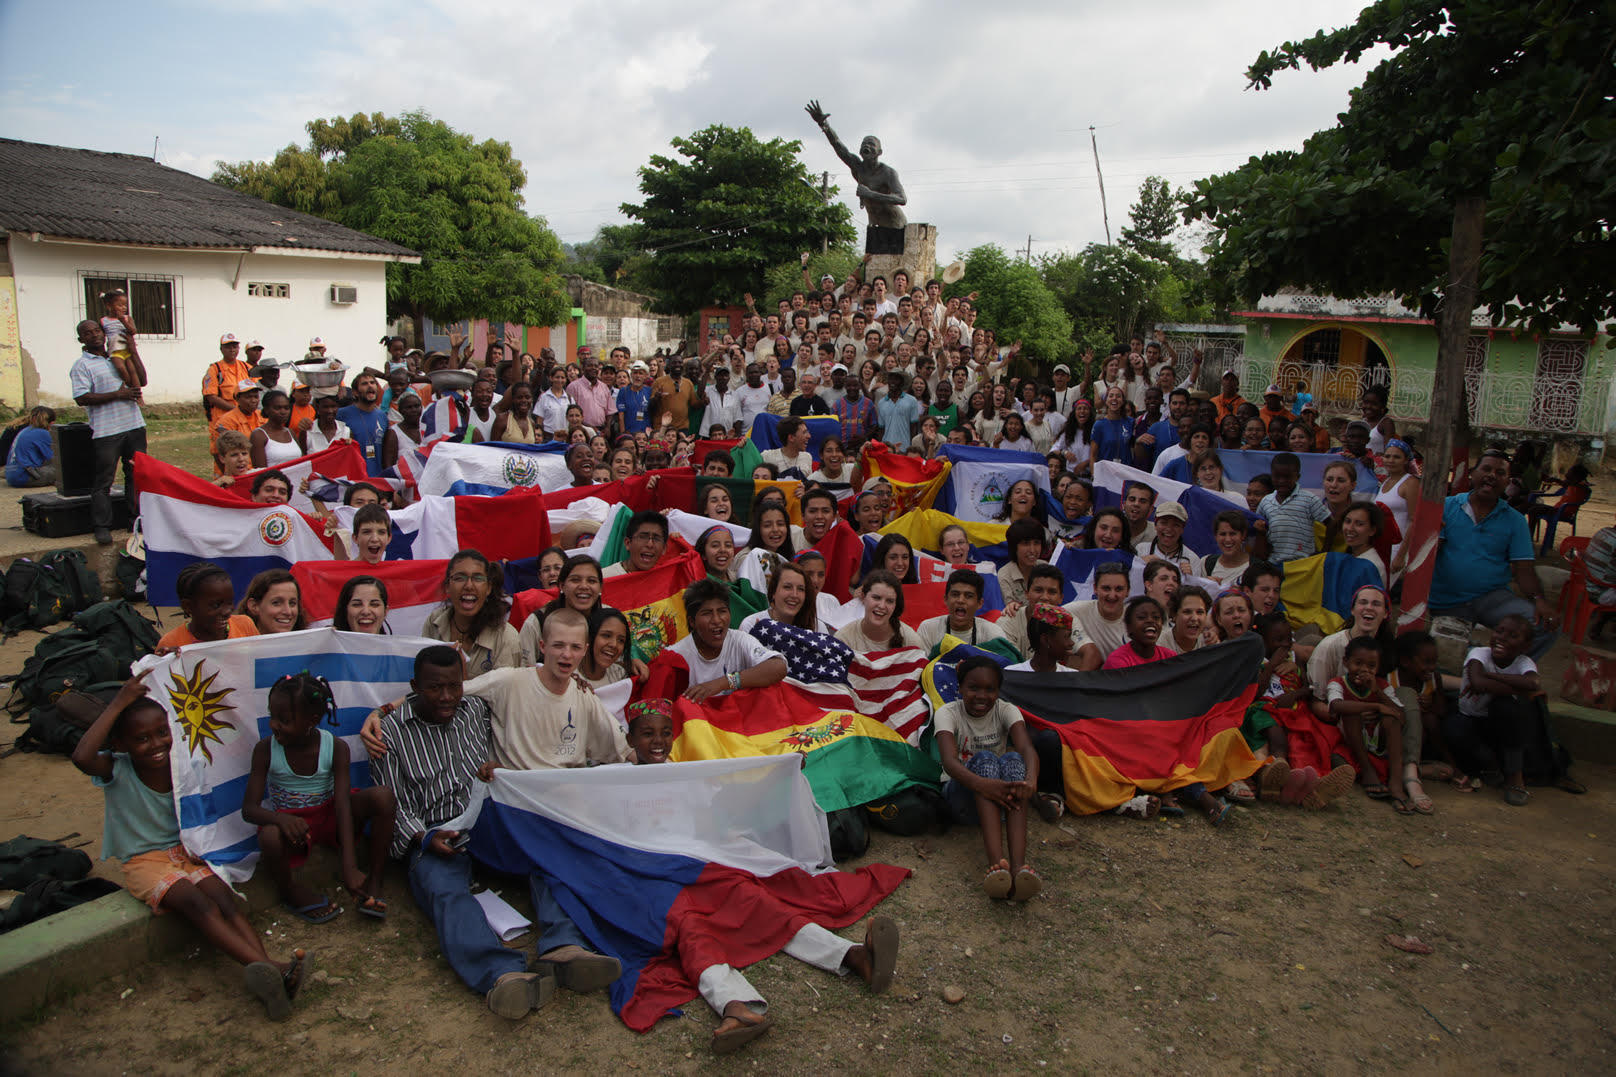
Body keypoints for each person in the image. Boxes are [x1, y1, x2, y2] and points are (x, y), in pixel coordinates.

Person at [72, 677, 310, 1020]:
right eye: (141, 739)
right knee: (198, 903)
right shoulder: (117, 769)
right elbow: (81, 756)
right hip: (145, 863)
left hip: (185, 853)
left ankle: (270, 979)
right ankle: (272, 966)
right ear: (121, 744)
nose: (156, 744)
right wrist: (120, 700)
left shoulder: (180, 767)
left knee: (225, 898)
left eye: (161, 733)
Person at [367, 646, 557, 1018]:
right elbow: (395, 805)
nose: (447, 697)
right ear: (414, 687)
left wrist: (492, 769)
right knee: (446, 893)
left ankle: (565, 947)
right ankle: (502, 976)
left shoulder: (475, 711)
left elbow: (533, 689)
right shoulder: (389, 733)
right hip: (436, 834)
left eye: (455, 686)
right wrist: (423, 838)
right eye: (435, 688)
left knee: (548, 856)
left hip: (486, 820)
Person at [242, 671, 396, 923]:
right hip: (295, 830)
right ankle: (289, 891)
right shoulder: (265, 750)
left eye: (283, 719)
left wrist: (349, 865)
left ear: (311, 720)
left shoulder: (335, 747)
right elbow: (249, 809)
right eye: (272, 716)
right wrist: (280, 820)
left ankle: (375, 879)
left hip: (329, 816)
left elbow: (343, 804)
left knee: (383, 797)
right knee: (269, 835)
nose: (273, 724)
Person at [1428, 450, 1557, 658]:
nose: (1492, 476)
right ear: (1473, 474)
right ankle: (1477, 668)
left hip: (1492, 598)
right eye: (1486, 469)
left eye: (1500, 473)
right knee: (1450, 656)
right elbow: (1428, 554)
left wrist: (1539, 599)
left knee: (1544, 625)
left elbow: (1524, 569)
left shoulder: (1514, 520)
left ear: (1508, 481)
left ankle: (1504, 672)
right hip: (1448, 600)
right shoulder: (1447, 507)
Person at [934, 656, 1043, 901]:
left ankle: (1018, 868)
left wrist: (1031, 781)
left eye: (990, 689)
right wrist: (985, 785)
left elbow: (1027, 749)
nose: (981, 696)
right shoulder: (947, 713)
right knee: (985, 759)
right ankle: (997, 866)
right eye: (973, 688)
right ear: (960, 688)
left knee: (1014, 760)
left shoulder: (1006, 710)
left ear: (998, 691)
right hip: (961, 797)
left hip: (1000, 802)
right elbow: (950, 763)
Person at [70, 318, 146, 545]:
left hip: (134, 424)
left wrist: (132, 350)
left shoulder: (118, 355)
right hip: (106, 430)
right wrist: (117, 395)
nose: (94, 335)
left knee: (136, 474)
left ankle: (136, 520)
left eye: (97, 330)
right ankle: (102, 526)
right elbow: (81, 397)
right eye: (87, 333)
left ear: (104, 334)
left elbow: (142, 380)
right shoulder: (81, 365)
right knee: (104, 480)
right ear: (80, 339)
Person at [1327, 637, 1417, 814]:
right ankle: (1368, 771)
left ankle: (1396, 784)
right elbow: (1336, 706)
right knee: (1351, 712)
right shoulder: (1337, 683)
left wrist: (1377, 693)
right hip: (1352, 743)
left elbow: (1401, 716)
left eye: (1371, 666)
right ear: (1346, 662)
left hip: (1378, 741)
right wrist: (1375, 706)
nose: (1364, 670)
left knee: (1392, 718)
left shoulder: (1382, 686)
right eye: (1358, 663)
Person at [670, 579, 789, 701]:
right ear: (692, 622)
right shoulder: (676, 655)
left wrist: (724, 682)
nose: (716, 620)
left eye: (722, 611)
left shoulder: (739, 639)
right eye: (707, 613)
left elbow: (778, 667)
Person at [423, 551, 522, 674]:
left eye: (478, 578)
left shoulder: (506, 637)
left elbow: (504, 690)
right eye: (460, 578)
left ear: (488, 588)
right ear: (448, 586)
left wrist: (461, 683)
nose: (469, 586)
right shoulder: (434, 622)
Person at [158, 562, 258, 648]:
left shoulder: (245, 626)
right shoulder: (172, 643)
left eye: (230, 602)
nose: (227, 611)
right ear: (188, 606)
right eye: (216, 605)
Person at [1257, 453, 1331, 562]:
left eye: (1287, 477)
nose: (1281, 481)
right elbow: (1260, 526)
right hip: (1273, 563)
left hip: (1303, 564)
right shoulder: (1266, 501)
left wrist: (1325, 551)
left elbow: (1331, 523)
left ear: (1297, 477)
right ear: (1271, 475)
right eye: (1277, 476)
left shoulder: (1309, 499)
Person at [917, 569, 1007, 652]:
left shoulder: (993, 634)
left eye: (968, 596)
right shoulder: (928, 629)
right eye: (955, 594)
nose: (960, 600)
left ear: (979, 603)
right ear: (945, 599)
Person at [835, 569, 923, 653]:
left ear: (895, 605)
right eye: (876, 598)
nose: (882, 606)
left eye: (889, 601)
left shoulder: (911, 641)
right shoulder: (843, 639)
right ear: (863, 597)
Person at [1101, 597, 1176, 668]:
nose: (1150, 621)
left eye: (1156, 617)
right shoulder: (1117, 661)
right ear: (1129, 626)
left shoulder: (1169, 656)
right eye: (1142, 617)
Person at [338, 372, 389, 476]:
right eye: (364, 384)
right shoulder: (341, 414)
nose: (370, 385)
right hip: (353, 479)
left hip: (377, 478)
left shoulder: (382, 416)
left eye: (372, 382)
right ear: (355, 392)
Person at [202, 332, 252, 429]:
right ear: (221, 349)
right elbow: (211, 397)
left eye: (235, 347)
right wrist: (236, 410)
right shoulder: (215, 369)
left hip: (245, 418)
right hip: (223, 418)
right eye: (228, 347)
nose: (232, 350)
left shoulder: (246, 367)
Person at [237, 569, 306, 635]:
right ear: (254, 606)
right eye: (276, 603)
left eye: (292, 603)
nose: (288, 612)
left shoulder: (311, 645)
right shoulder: (234, 645)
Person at [996, 518, 1046, 607]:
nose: (1032, 550)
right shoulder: (1004, 575)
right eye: (1026, 543)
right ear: (1014, 547)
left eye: (1036, 543)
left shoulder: (1046, 567)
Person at [5, 406, 57, 488]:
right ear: (52, 423)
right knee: (65, 470)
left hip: (11, 475)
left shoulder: (25, 430)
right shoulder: (43, 433)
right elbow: (54, 458)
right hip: (24, 477)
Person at [606, 511, 669, 578]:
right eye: (643, 537)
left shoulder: (666, 582)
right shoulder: (605, 579)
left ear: (664, 548)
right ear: (628, 543)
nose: (650, 544)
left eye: (656, 539)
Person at [250, 389, 303, 468]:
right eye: (277, 408)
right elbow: (260, 471)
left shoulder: (290, 432)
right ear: (267, 410)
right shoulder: (258, 435)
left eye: (286, 408)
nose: (283, 412)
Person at [1203, 510, 1251, 586]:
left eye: (1232, 534)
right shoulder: (1206, 563)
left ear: (1243, 535)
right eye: (1223, 534)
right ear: (1216, 536)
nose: (1228, 539)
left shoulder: (1255, 567)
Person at [1165, 586, 1212, 654]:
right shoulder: (1159, 644)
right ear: (1174, 615)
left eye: (1200, 612)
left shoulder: (1210, 643)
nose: (1194, 618)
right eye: (1187, 612)